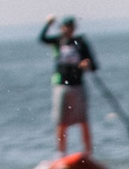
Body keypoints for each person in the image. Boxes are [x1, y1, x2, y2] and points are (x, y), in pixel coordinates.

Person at [38, 14, 99, 156]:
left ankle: (88, 152)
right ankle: (61, 153)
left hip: (78, 85)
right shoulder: (58, 41)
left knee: (83, 120)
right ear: (62, 28)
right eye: (66, 27)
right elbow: (42, 39)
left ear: (74, 28)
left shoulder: (81, 42)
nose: (68, 29)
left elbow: (94, 65)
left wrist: (87, 64)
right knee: (61, 121)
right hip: (61, 85)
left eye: (71, 27)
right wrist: (47, 24)